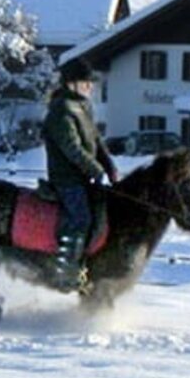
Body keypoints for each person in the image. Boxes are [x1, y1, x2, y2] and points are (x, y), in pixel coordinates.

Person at [42, 58, 118, 291]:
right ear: (70, 84)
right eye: (85, 83)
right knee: (80, 217)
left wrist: (109, 165)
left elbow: (95, 140)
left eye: (90, 83)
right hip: (67, 179)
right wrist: (96, 170)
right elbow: (72, 148)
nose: (90, 87)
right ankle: (67, 270)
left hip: (84, 177)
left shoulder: (82, 107)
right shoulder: (61, 111)